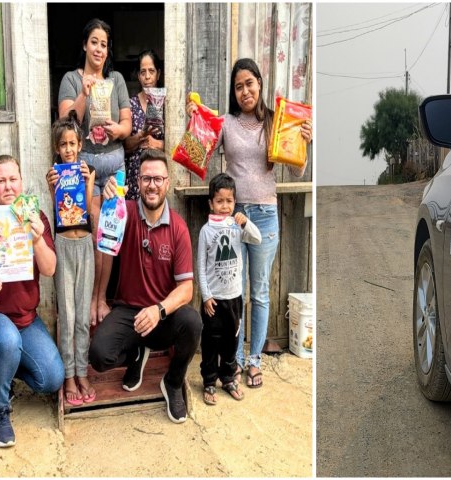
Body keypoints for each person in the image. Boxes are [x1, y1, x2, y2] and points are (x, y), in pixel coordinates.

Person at [186, 58, 312, 388]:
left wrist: (304, 145)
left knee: (259, 291)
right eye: (238, 86)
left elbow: (296, 170)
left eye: (250, 84)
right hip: (233, 218)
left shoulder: (277, 121)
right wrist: (196, 121)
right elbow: (201, 152)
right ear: (234, 91)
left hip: (266, 215)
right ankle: (235, 359)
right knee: (234, 292)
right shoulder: (226, 123)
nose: (245, 91)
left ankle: (254, 359)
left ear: (259, 84)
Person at [88, 148, 202, 423]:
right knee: (99, 356)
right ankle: (137, 352)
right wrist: (105, 206)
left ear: (167, 182)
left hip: (162, 315)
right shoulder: (123, 212)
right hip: (128, 311)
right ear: (137, 182)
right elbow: (100, 240)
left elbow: (186, 289)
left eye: (158, 179)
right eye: (147, 178)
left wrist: (159, 310)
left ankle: (173, 382)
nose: (152, 185)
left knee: (193, 323)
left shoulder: (178, 228)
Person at [0, 155, 64, 448]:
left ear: (21, 182)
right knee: (5, 338)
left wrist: (38, 240)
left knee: (52, 379)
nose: (8, 186)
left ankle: (3, 369)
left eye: (13, 179)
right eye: (1, 180)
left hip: (25, 321)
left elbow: (50, 269)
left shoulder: (36, 217)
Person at [58, 18, 132, 326]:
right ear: (85, 45)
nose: (99, 48)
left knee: (109, 235)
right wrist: (85, 94)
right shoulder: (72, 80)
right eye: (94, 42)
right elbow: (65, 120)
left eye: (104, 44)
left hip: (115, 165)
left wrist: (118, 129)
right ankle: (90, 299)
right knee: (93, 235)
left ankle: (102, 298)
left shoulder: (116, 79)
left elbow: (128, 125)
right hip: (85, 166)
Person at [45, 111, 97, 406]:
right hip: (63, 246)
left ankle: (82, 370)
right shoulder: (55, 175)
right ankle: (67, 375)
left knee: (81, 316)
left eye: (72, 144)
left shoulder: (83, 171)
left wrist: (88, 182)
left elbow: (86, 210)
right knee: (66, 314)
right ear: (57, 148)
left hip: (84, 245)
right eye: (63, 144)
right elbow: (58, 210)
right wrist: (52, 187)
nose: (68, 149)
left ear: (80, 146)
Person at [197, 173, 261, 405]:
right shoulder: (206, 231)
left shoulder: (237, 227)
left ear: (235, 202)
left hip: (235, 299)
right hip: (214, 301)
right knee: (211, 343)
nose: (225, 206)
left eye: (230, 201)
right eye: (220, 201)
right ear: (211, 203)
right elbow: (201, 268)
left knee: (231, 343)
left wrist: (246, 222)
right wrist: (206, 296)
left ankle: (228, 378)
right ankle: (209, 382)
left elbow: (257, 239)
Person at [123, 49, 165, 200]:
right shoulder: (130, 104)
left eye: (151, 71)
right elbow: (125, 146)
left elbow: (177, 146)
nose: (147, 76)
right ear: (139, 76)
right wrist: (141, 136)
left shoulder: (167, 103)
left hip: (159, 176)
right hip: (136, 174)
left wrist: (157, 144)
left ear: (158, 74)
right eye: (143, 72)